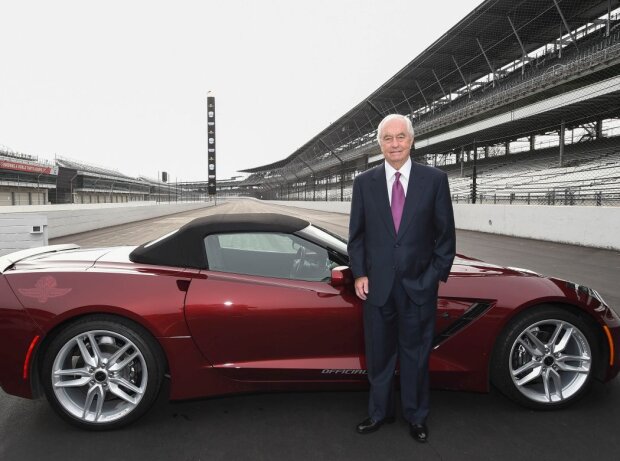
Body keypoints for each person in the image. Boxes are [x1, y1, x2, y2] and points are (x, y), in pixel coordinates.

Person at [347, 113, 456, 443]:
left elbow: (446, 238)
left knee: (416, 356)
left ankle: (416, 416)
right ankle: (379, 413)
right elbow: (357, 236)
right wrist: (360, 273)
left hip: (418, 288)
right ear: (379, 143)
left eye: (400, 137)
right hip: (377, 289)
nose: (394, 144)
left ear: (412, 140)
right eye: (387, 138)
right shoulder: (364, 182)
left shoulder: (434, 180)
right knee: (379, 355)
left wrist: (431, 278)